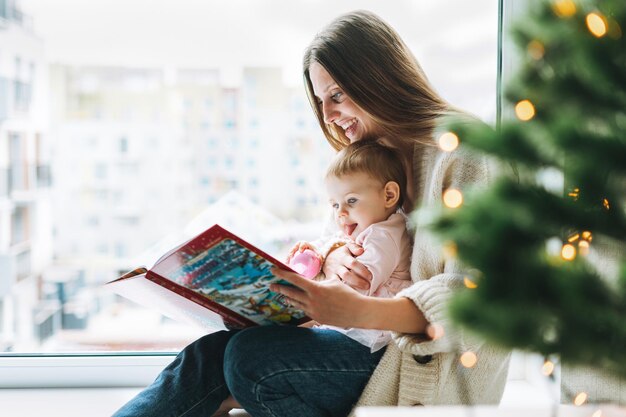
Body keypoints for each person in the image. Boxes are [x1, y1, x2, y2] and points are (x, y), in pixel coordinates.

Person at [113, 10, 511, 417]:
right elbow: (332, 266)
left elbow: (482, 298)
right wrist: (321, 266)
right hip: (357, 342)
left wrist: (357, 309)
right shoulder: (363, 163)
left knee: (247, 361)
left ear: (378, 77)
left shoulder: (466, 153)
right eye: (321, 101)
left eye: (336, 95)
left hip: (419, 371)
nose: (328, 116)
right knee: (208, 355)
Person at [288, 139, 413, 351]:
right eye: (335, 204)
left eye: (351, 200)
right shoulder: (360, 230)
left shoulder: (384, 236)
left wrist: (304, 309)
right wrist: (313, 252)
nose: (340, 213)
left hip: (366, 338)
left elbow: (355, 289)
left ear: (389, 195)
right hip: (347, 329)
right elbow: (330, 244)